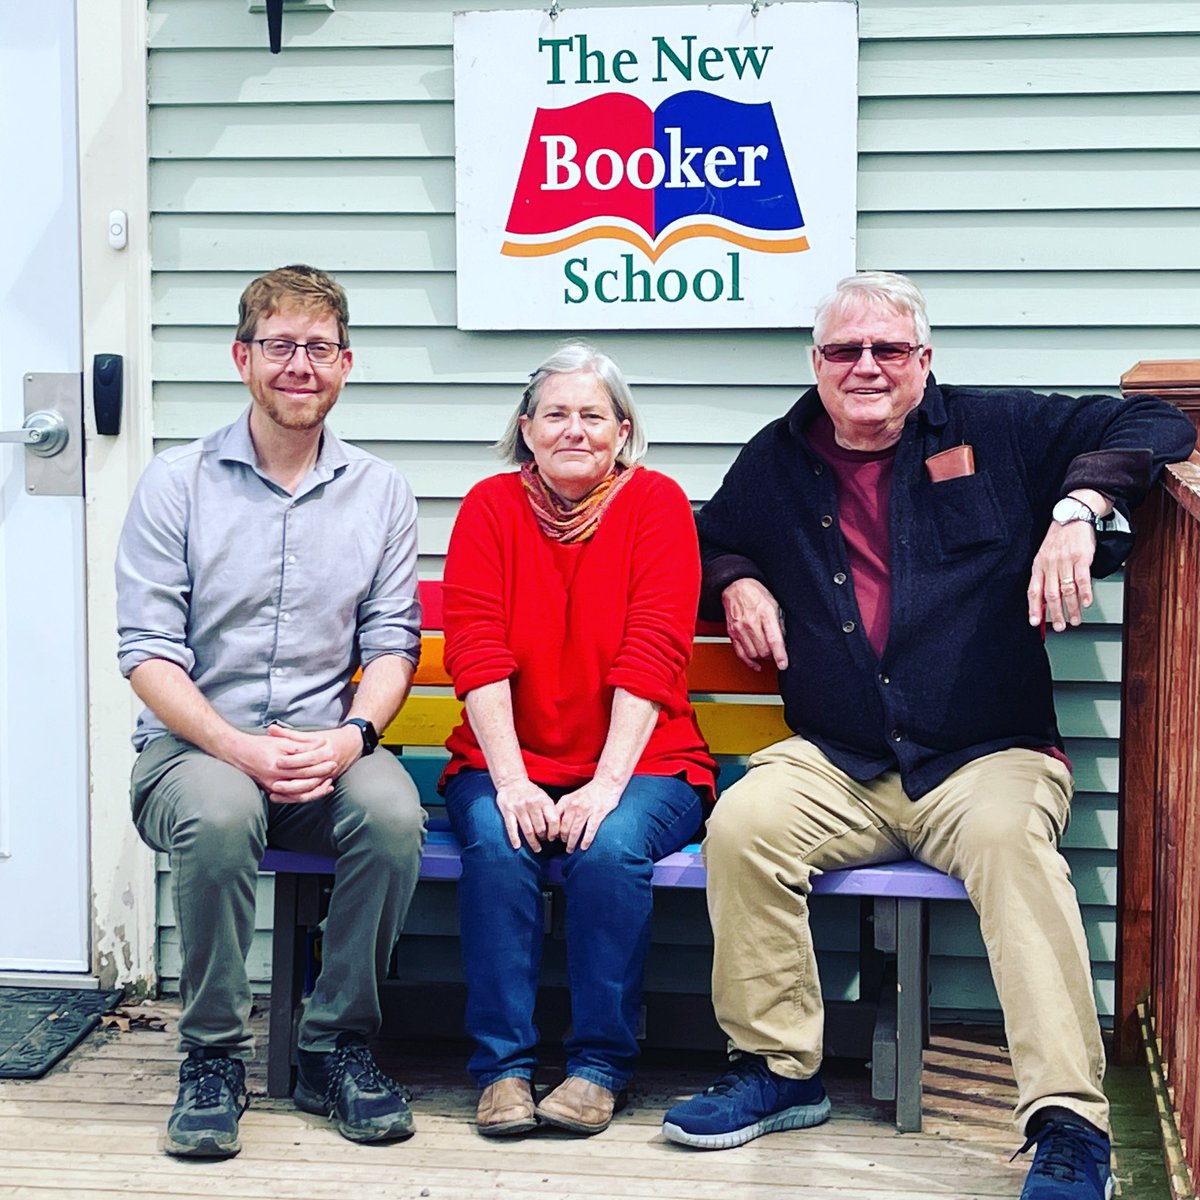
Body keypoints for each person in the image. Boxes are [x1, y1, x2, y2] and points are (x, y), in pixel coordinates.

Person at [660, 272, 1196, 1199]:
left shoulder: (998, 427)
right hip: (842, 760)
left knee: (1013, 851)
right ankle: (780, 1070)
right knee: (742, 827)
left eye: (889, 349)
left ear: (924, 359)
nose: (866, 367)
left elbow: (1156, 423)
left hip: (986, 754)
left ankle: (1069, 1121)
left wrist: (1079, 510)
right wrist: (738, 576)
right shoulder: (778, 458)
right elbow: (707, 535)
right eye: (845, 350)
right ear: (817, 363)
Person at [116, 264, 426, 1158]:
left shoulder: (380, 491)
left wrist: (353, 737)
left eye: (319, 349)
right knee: (221, 813)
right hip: (192, 752)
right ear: (242, 357)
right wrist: (236, 747)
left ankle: (334, 1045)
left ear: (346, 364)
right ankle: (212, 1055)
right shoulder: (177, 482)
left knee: (393, 813)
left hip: (324, 747)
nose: (300, 366)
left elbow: (392, 644)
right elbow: (147, 652)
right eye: (280, 345)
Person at [440, 342, 717, 1139]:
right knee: (500, 840)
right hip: (506, 758)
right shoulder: (489, 506)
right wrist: (512, 780)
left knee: (607, 846)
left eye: (593, 415)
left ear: (622, 430)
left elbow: (654, 651)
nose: (574, 429)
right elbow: (476, 650)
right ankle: (502, 1069)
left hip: (646, 763)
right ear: (526, 429)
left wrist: (604, 785)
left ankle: (599, 1066)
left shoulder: (657, 503)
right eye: (555, 414)